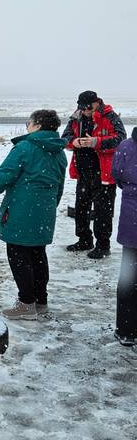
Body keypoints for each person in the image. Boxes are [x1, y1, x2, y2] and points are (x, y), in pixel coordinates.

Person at [0, 110, 67, 320]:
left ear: (38, 125)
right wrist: (49, 207)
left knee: (19, 255)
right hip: (44, 211)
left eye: (29, 123)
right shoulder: (59, 151)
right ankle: (41, 302)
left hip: (22, 210)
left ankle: (26, 304)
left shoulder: (24, 148)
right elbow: (59, 186)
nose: (27, 126)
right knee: (38, 255)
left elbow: (2, 178)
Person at [62, 91, 126, 259]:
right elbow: (65, 136)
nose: (85, 111)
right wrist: (73, 142)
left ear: (97, 103)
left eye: (88, 108)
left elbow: (121, 139)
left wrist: (96, 142)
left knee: (103, 211)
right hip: (82, 172)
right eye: (82, 108)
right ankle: (84, 240)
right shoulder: (76, 117)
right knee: (81, 208)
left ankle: (103, 246)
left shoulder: (110, 116)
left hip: (103, 174)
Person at [112, 126, 137, 346]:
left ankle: (126, 330)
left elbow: (117, 176)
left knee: (129, 277)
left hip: (133, 221)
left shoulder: (127, 146)